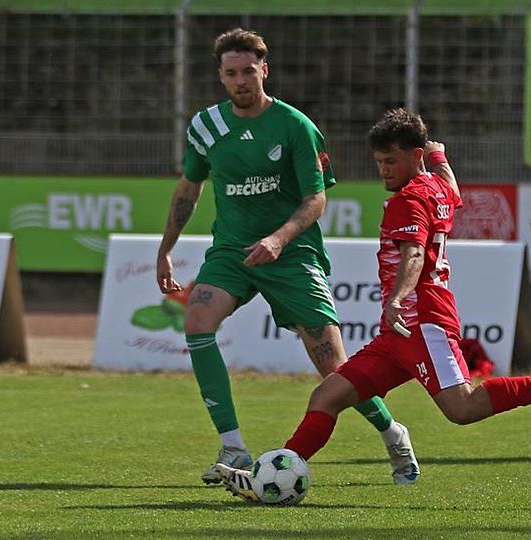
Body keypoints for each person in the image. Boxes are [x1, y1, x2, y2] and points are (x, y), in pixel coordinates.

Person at [219, 108, 531, 502]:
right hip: (398, 331)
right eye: (378, 161)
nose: (383, 170)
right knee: (328, 396)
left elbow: (413, 255)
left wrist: (396, 299)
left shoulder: (407, 201)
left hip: (423, 321)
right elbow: (453, 189)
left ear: (413, 157)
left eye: (391, 160)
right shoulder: (435, 186)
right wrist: (439, 156)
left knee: (462, 408)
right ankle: (273, 474)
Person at [156, 28, 421, 486]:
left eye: (248, 71)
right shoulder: (206, 127)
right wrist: (166, 249)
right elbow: (188, 187)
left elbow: (315, 200)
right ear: (221, 77)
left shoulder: (295, 126)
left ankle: (394, 434)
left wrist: (278, 240)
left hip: (292, 255)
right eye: (231, 73)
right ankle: (234, 448)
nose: (241, 80)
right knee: (197, 322)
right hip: (232, 252)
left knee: (336, 371)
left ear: (265, 70)